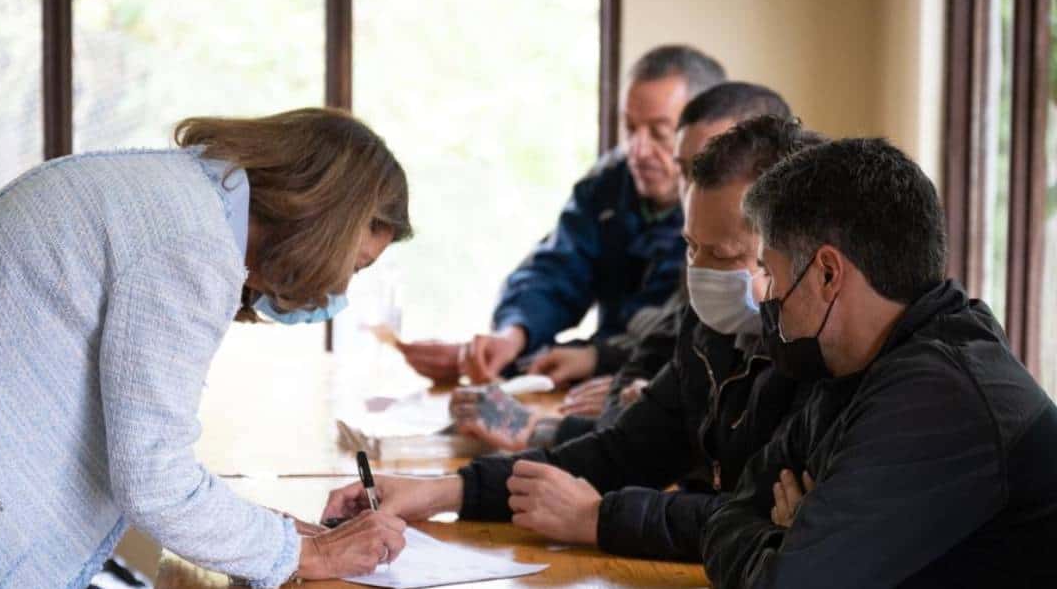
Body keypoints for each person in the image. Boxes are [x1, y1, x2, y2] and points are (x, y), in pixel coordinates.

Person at [0, 109, 413, 587]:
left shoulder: (174, 196)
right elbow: (154, 479)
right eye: (354, 265)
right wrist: (305, 553)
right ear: (326, 224)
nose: (339, 289)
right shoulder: (191, 243)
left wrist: (274, 535)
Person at [323, 115, 826, 563]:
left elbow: (752, 520)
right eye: (692, 249)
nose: (701, 273)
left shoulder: (824, 359)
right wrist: (443, 492)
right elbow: (622, 453)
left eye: (725, 256)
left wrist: (598, 518)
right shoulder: (709, 331)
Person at [701, 139, 1057, 588]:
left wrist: (787, 542)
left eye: (770, 273)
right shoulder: (850, 369)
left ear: (828, 273)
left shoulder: (942, 394)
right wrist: (784, 539)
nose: (764, 297)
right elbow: (730, 512)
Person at [453, 82, 795, 451]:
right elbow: (649, 371)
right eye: (689, 171)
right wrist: (517, 334)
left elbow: (734, 493)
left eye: (712, 170)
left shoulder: (808, 336)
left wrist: (610, 377)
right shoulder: (628, 195)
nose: (640, 150)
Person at [398, 45, 726, 385]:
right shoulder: (608, 182)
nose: (638, 150)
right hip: (600, 375)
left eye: (659, 133)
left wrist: (597, 357)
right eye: (630, 128)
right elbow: (557, 268)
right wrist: (514, 335)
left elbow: (681, 334)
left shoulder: (726, 210)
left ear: (704, 133)